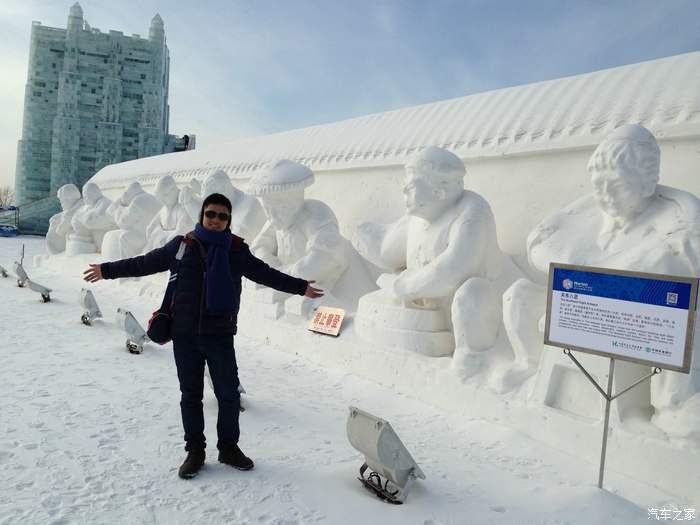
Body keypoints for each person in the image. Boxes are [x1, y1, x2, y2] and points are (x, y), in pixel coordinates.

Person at [83, 193, 324, 479]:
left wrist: (301, 287)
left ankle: (228, 447)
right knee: (191, 396)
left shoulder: (236, 250)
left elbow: (267, 274)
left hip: (220, 335)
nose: (215, 220)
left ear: (229, 220)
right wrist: (107, 270)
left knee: (229, 395)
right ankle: (195, 451)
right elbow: (144, 263)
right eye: (211, 214)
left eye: (222, 216)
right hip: (185, 335)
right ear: (202, 215)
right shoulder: (181, 246)